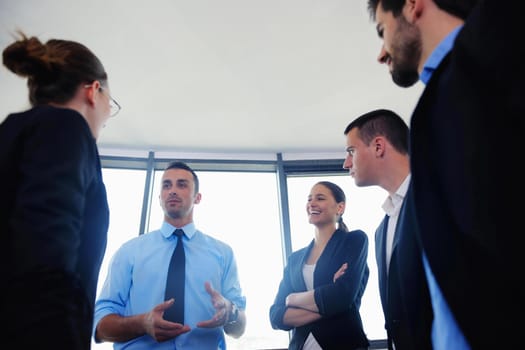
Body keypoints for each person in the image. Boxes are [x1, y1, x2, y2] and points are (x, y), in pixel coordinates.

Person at [365, 0, 524, 348]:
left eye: (382, 29)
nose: (381, 53)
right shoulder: (437, 103)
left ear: (412, 6)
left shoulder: (493, 55)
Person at [1, 32, 117, 349]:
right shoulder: (66, 127)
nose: (108, 112)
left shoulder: (12, 130)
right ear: (94, 91)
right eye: (111, 102)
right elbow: (44, 244)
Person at [93, 161, 247, 349]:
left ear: (197, 198)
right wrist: (142, 323)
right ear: (159, 198)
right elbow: (100, 327)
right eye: (167, 185)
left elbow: (239, 329)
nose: (172, 191)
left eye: (182, 184)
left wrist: (230, 313)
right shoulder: (129, 252)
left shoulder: (224, 253)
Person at [343, 109, 432, 350]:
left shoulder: (439, 197)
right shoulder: (381, 229)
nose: (346, 163)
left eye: (351, 151)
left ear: (379, 146)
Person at [269, 181, 370, 350]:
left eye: (320, 198)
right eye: (309, 199)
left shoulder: (354, 241)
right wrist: (331, 303)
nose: (312, 203)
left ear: (340, 207)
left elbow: (343, 297)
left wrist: (293, 299)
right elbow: (276, 316)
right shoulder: (295, 259)